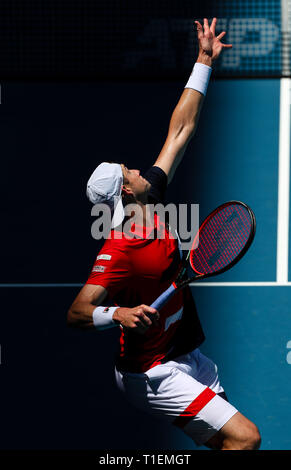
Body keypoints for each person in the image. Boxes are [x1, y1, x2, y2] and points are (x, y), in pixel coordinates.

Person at [67, 18, 261, 450]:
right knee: (246, 439)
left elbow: (181, 130)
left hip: (183, 352)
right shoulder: (121, 247)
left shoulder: (148, 197)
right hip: (152, 371)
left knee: (225, 444)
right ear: (125, 191)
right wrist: (116, 314)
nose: (137, 169)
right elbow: (77, 312)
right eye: (128, 172)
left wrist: (203, 62)